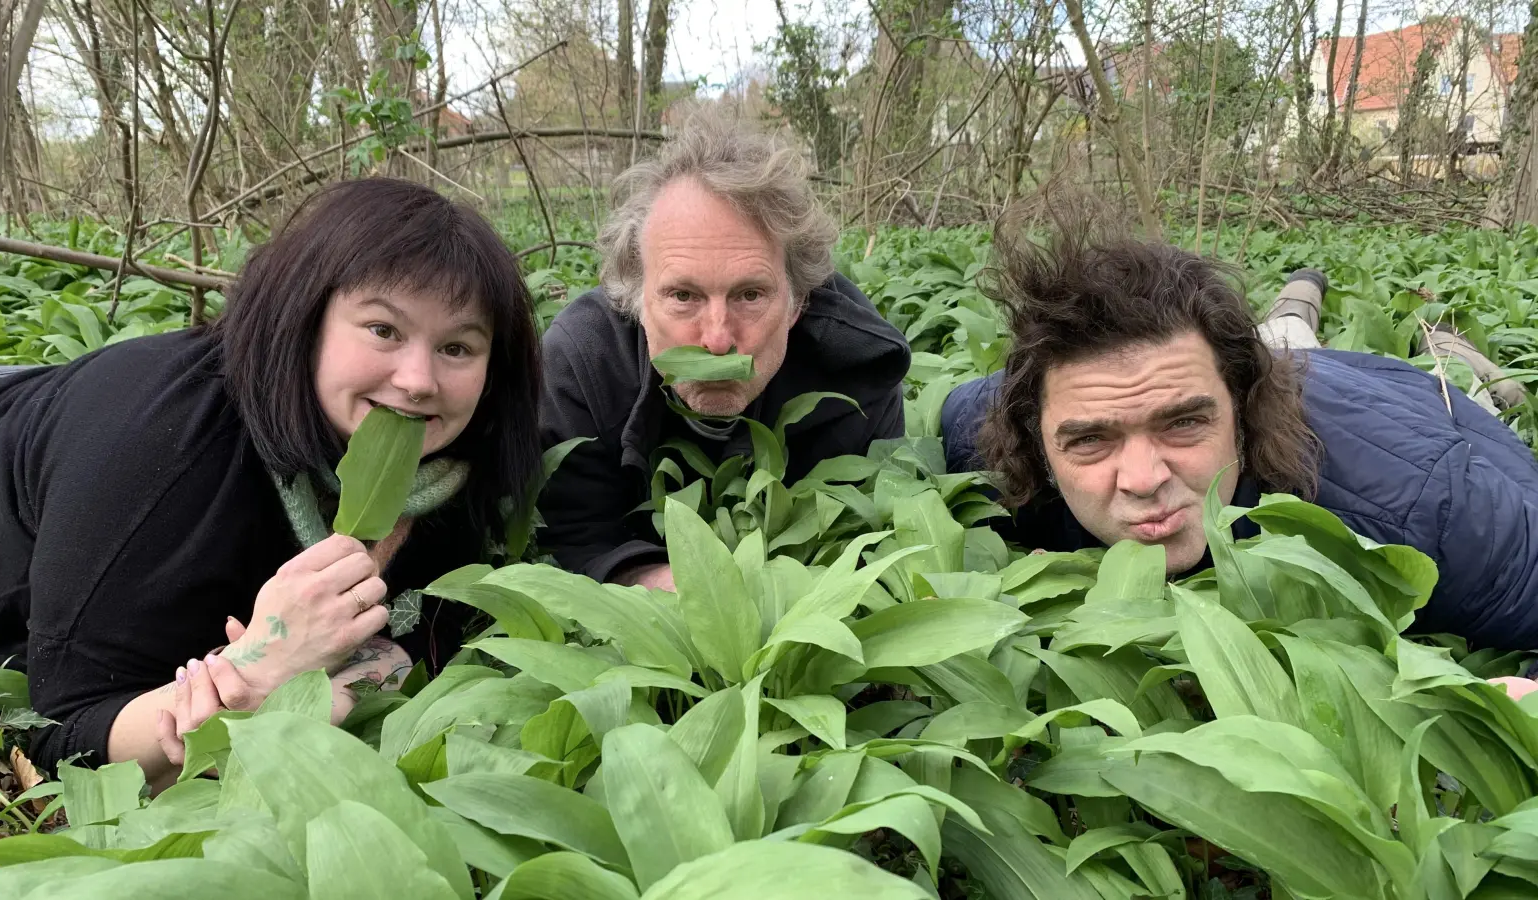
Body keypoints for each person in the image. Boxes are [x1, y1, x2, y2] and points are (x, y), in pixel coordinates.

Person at [0, 178, 542, 786]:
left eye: (457, 347)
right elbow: (63, 732)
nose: (418, 379)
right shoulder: (167, 449)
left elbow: (416, 646)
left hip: (52, 399)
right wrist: (258, 672)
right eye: (383, 329)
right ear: (306, 316)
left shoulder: (457, 460)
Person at [940, 228, 1538, 651]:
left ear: (1245, 414)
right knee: (1284, 342)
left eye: (1184, 423)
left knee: (1462, 386)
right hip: (1277, 365)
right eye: (1092, 439)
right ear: (1033, 442)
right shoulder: (990, 426)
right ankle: (1295, 306)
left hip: (1401, 407)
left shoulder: (1427, 512)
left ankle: (1455, 350)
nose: (1144, 481)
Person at [537, 113, 911, 590]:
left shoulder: (861, 366)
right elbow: (577, 537)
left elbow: (873, 539)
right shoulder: (580, 361)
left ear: (798, 303)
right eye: (682, 297)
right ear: (635, 299)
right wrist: (682, 587)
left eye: (750, 295)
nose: (716, 340)